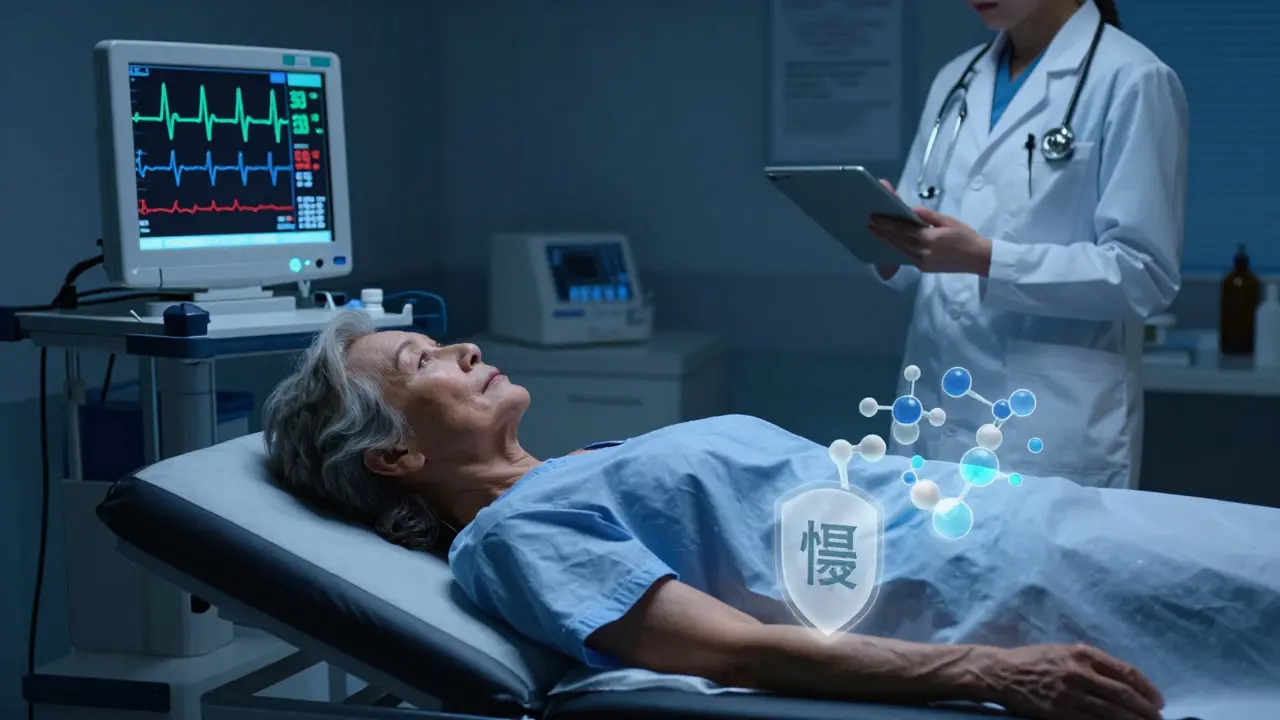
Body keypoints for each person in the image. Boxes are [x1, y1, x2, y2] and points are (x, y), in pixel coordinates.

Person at [260, 314, 1280, 720]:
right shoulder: (513, 536)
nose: (463, 351)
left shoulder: (573, 470)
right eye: (424, 363)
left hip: (1040, 523)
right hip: (1006, 588)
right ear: (397, 456)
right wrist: (994, 672)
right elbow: (734, 652)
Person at [865, 0, 1188, 489]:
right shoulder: (957, 79)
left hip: (1047, 431)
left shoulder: (1134, 78)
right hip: (931, 418)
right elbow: (920, 239)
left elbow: (1144, 274)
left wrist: (988, 260)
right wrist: (888, 243)